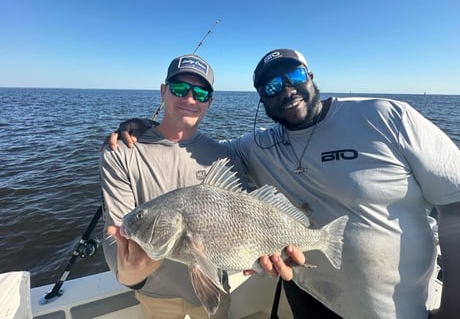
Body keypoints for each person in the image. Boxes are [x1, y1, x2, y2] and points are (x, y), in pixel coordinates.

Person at [109, 49, 460, 319]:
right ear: (262, 98)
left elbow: (456, 205)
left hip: (400, 309)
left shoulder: (386, 117)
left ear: (309, 75)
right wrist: (144, 126)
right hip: (306, 295)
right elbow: (193, 149)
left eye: (293, 75)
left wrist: (454, 308)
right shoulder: (255, 146)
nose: (286, 89)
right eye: (272, 86)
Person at [101, 53, 239, 319]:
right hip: (157, 296)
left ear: (209, 101)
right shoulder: (120, 151)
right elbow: (118, 235)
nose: (189, 99)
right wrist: (131, 273)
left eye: (200, 93)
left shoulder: (223, 154)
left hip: (216, 288)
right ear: (163, 91)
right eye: (179, 89)